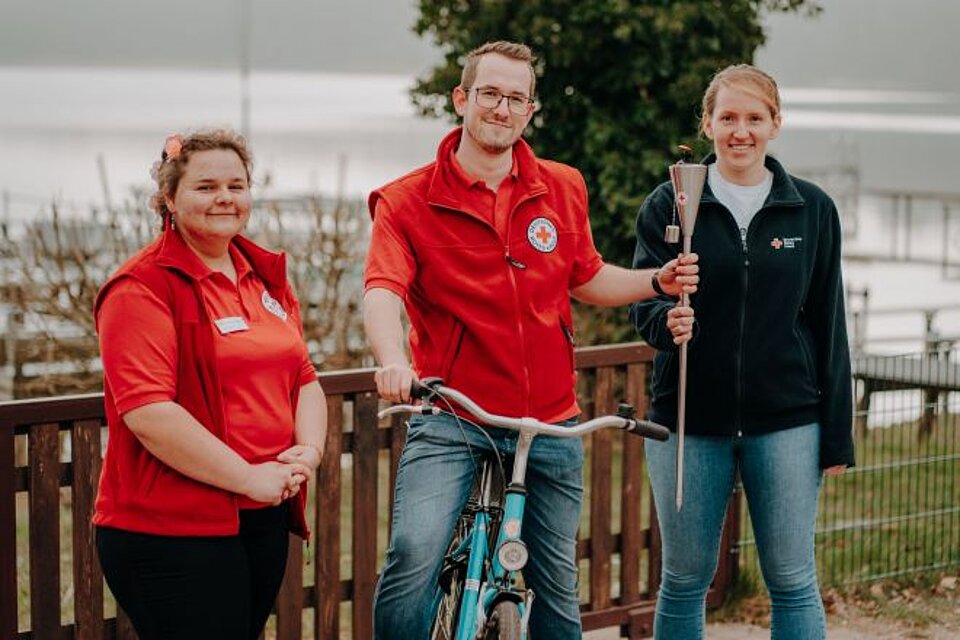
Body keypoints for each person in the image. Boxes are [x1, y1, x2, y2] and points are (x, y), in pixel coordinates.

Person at [363, 41, 699, 640]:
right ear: (462, 99)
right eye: (489, 94)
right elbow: (382, 291)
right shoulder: (406, 200)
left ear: (531, 110)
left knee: (558, 586)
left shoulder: (562, 185)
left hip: (549, 421)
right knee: (413, 553)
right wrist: (393, 362)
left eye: (516, 98)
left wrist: (654, 279)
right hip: (453, 414)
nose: (501, 108)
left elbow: (586, 274)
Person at [630, 64, 855, 639]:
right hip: (688, 420)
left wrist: (836, 434)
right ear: (707, 124)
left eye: (755, 118)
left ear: (775, 124)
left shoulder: (812, 209)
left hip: (787, 423)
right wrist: (667, 320)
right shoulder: (670, 203)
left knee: (792, 578)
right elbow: (643, 301)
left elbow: (828, 324)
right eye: (727, 117)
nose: (741, 131)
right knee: (683, 579)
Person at [93, 129, 327, 640]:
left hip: (261, 515)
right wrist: (249, 477)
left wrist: (306, 452)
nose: (224, 197)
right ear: (169, 199)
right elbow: (150, 413)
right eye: (205, 187)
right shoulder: (141, 288)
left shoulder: (262, 275)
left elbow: (304, 378)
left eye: (236, 185)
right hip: (172, 529)